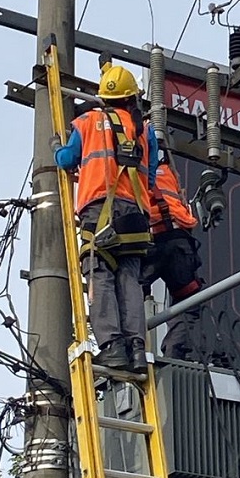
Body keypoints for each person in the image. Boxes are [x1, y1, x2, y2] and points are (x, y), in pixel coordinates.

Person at [53, 64, 159, 373]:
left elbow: (66, 160)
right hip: (136, 215)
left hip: (99, 210)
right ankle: (137, 349)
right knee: (129, 280)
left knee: (100, 275)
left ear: (103, 98)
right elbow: (150, 176)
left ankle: (112, 346)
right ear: (132, 98)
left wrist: (56, 146)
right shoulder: (145, 130)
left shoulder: (87, 121)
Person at [143, 152, 205, 361]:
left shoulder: (133, 167)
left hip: (150, 241)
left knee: (127, 292)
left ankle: (128, 348)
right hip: (179, 242)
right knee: (187, 299)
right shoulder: (170, 173)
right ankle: (175, 353)